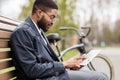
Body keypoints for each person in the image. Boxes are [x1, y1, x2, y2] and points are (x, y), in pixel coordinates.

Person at [10, 0, 108, 80]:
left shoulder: (36, 30)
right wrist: (64, 64)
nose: (53, 22)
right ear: (39, 13)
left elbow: (47, 62)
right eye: (52, 17)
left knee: (102, 76)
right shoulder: (22, 32)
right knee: (100, 77)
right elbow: (31, 70)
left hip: (51, 76)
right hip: (45, 78)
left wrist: (70, 64)